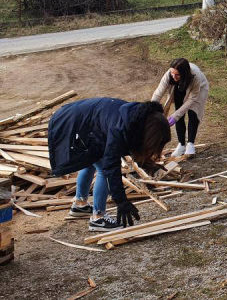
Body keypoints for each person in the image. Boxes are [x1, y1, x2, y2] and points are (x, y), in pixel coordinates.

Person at [48, 98, 171, 231]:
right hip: (73, 122)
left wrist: (147, 164)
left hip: (82, 120)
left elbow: (133, 144)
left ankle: (80, 204)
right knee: (102, 168)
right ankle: (98, 218)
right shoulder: (120, 127)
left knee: (89, 161)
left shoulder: (138, 117)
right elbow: (111, 166)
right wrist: (121, 201)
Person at [151, 58, 210, 157]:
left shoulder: (195, 77)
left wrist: (175, 116)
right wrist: (150, 109)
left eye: (177, 74)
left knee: (193, 113)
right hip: (179, 87)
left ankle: (190, 144)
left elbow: (192, 99)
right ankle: (181, 145)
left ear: (184, 73)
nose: (174, 76)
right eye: (172, 73)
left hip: (199, 90)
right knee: (179, 111)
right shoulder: (169, 75)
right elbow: (158, 93)